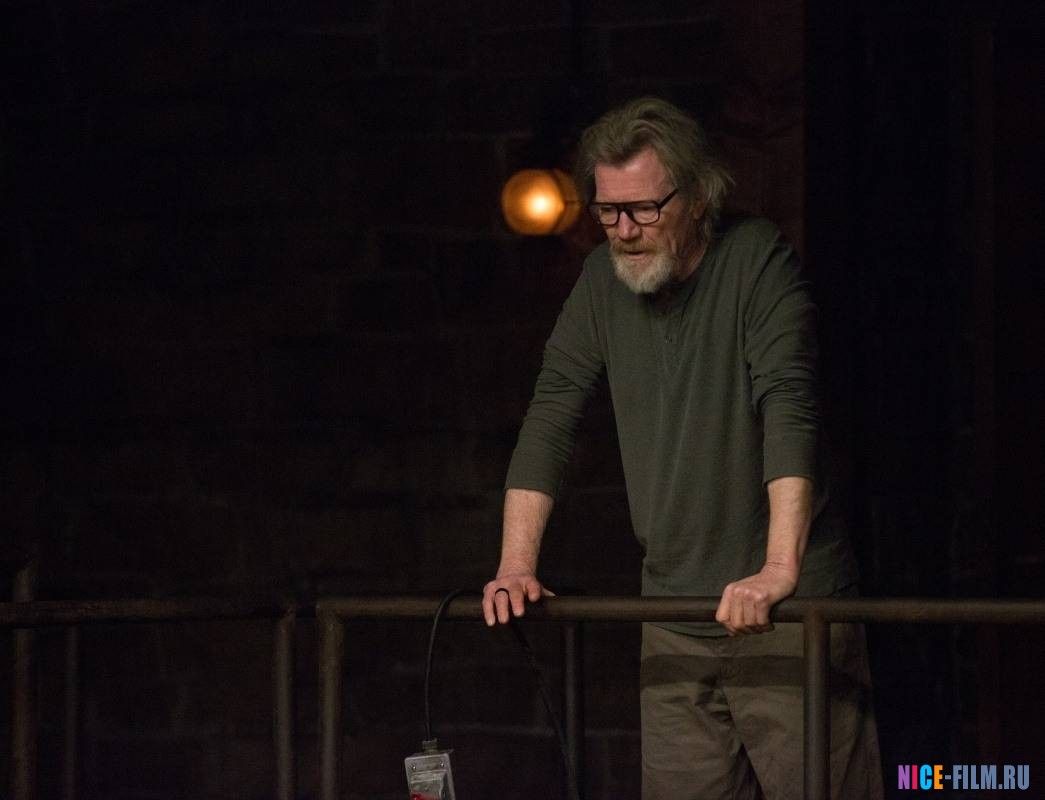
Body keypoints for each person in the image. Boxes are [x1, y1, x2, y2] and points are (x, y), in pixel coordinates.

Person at [481, 97, 882, 800]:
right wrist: (515, 565)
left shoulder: (756, 259)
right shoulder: (600, 281)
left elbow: (788, 406)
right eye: (608, 211)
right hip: (672, 616)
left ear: (697, 198)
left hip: (789, 617)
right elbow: (550, 414)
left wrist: (777, 569)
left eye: (643, 209)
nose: (623, 231)